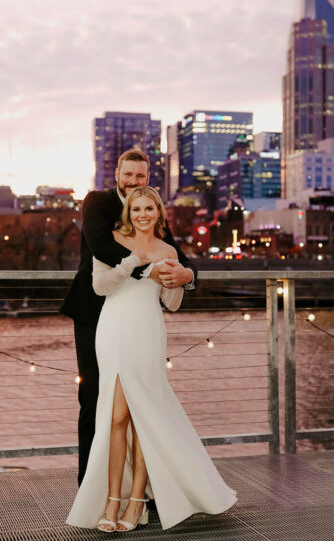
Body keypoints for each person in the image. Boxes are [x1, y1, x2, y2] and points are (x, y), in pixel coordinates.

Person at [66, 186, 236, 531]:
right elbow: (100, 287)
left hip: (147, 332)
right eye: (137, 208)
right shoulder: (111, 242)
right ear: (129, 211)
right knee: (115, 417)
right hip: (113, 330)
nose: (143, 214)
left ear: (159, 213)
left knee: (143, 414)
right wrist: (133, 265)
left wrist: (179, 280)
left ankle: (136, 502)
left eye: (150, 209)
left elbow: (170, 303)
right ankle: (112, 501)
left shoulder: (167, 249)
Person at [60, 149, 196, 486]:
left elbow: (179, 256)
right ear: (117, 173)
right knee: (93, 396)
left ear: (147, 179)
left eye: (140, 176)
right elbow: (102, 246)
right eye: (128, 174)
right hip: (94, 311)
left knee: (140, 397)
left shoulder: (150, 211)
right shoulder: (97, 201)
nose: (133, 181)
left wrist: (188, 275)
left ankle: (145, 487)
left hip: (135, 319)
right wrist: (151, 270)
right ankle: (89, 486)